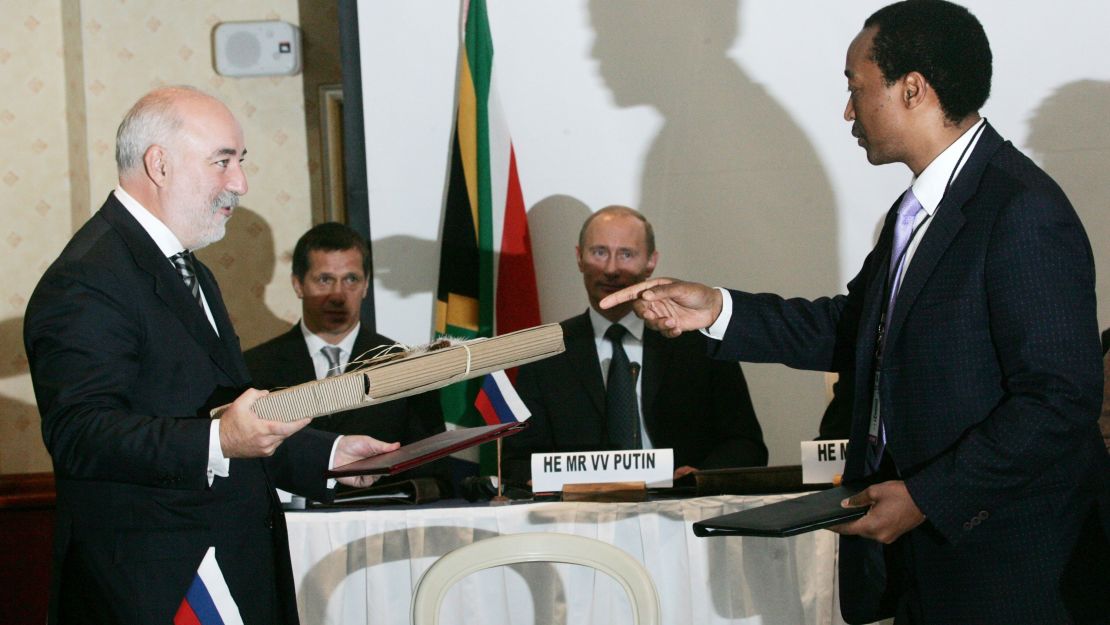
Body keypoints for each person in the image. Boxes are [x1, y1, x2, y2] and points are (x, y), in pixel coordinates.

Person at [602, 2, 1110, 623]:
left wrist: (928, 496)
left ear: (913, 89)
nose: (848, 110)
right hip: (928, 565)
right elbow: (855, 329)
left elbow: (1059, 399)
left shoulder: (1021, 209)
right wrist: (718, 309)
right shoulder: (915, 210)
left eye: (856, 88)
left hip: (1009, 572)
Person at [23, 86, 397, 625]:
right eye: (223, 162)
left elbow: (218, 408)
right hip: (157, 589)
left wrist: (328, 454)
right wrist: (220, 439)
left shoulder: (190, 269)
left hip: (224, 570)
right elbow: (80, 433)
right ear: (160, 164)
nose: (240, 184)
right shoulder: (88, 278)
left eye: (240, 163)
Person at [502, 206, 766, 485]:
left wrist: (701, 477)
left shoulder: (699, 342)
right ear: (579, 258)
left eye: (626, 254)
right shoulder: (546, 352)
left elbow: (747, 445)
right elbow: (516, 462)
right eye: (599, 252)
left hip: (683, 509)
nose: (611, 269)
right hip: (579, 515)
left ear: (651, 262)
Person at [245, 222, 449, 488]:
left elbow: (432, 470)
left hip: (382, 517)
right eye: (324, 280)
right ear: (298, 285)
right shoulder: (254, 367)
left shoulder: (407, 366)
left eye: (351, 279)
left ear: (365, 286)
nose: (338, 295)